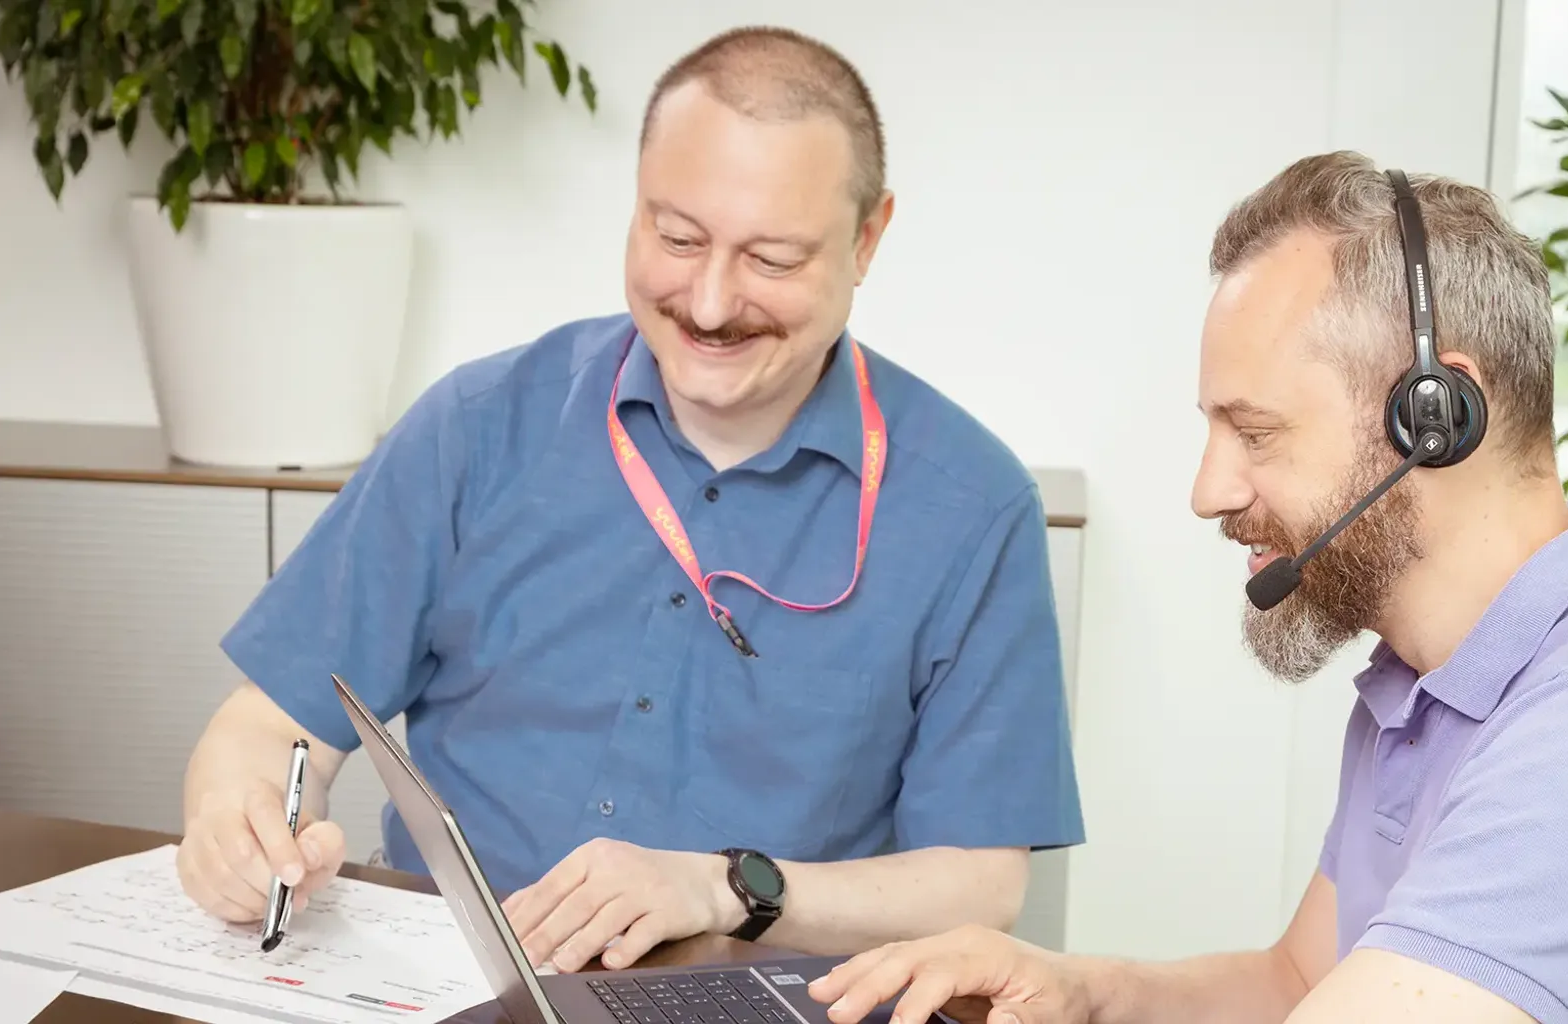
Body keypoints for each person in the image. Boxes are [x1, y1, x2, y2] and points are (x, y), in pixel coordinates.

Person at [803, 152, 1568, 1023]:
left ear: (1437, 417)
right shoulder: (1416, 686)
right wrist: (1077, 989)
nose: (1208, 490)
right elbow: (1296, 980)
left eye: (1253, 434)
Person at [172, 25, 1083, 973]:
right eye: (677, 237)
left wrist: (724, 889)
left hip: (768, 998)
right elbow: (271, 724)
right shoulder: (476, 428)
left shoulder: (972, 507)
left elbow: (982, 881)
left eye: (771, 259)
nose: (712, 303)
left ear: (868, 238)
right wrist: (239, 830)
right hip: (450, 984)